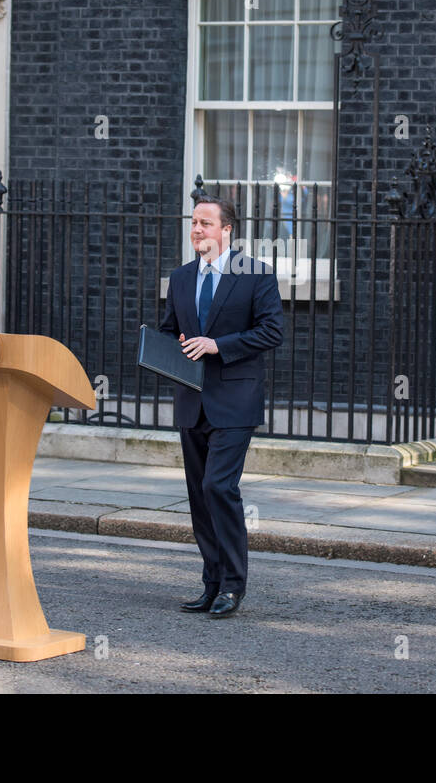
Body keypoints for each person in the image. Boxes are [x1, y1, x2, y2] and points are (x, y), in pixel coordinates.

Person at [158, 194, 283, 618]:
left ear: (227, 229)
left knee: (218, 487)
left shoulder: (256, 275)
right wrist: (170, 344)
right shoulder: (180, 277)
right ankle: (211, 584)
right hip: (191, 402)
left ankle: (233, 585)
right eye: (194, 222)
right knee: (199, 496)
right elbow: (170, 330)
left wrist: (217, 345)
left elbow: (272, 331)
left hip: (235, 401)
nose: (197, 229)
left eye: (206, 223)